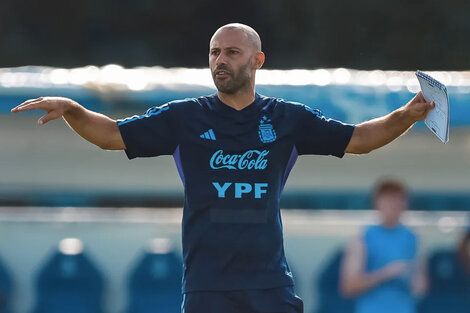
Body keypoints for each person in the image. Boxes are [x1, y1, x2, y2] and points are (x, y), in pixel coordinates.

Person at [11, 23, 434, 313]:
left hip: (269, 285)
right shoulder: (184, 117)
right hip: (207, 286)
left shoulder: (287, 118)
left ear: (258, 60)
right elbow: (111, 134)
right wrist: (73, 109)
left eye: (232, 52)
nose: (221, 60)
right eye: (214, 52)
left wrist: (406, 115)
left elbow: (358, 139)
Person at [340, 179, 428, 313]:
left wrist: (416, 284)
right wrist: (385, 274)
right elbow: (348, 287)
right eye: (389, 199)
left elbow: (421, 286)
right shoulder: (363, 238)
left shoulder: (413, 237)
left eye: (399, 199)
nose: (395, 205)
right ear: (377, 202)